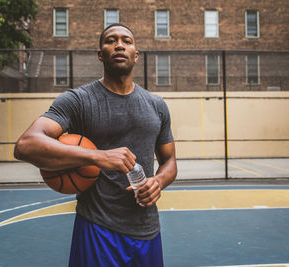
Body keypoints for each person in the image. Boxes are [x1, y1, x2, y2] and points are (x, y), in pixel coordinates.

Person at [14, 23, 177, 266]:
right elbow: (25, 145)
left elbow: (170, 161)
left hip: (148, 230)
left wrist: (158, 181)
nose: (119, 45)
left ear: (136, 55)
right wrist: (96, 156)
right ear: (100, 54)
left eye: (127, 41)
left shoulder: (157, 105)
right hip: (99, 228)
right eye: (111, 40)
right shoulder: (78, 100)